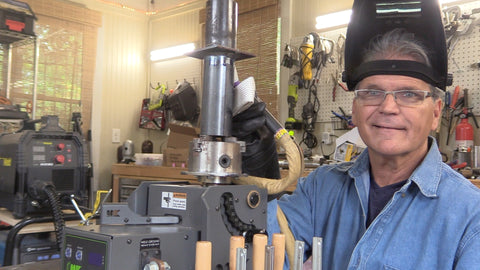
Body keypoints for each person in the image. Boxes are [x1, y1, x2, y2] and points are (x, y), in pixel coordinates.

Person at [265, 2, 480, 269]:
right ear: (355, 110)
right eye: (372, 92)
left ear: (436, 113)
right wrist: (256, 163)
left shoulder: (472, 216)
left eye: (409, 94)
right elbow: (259, 247)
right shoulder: (320, 189)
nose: (388, 108)